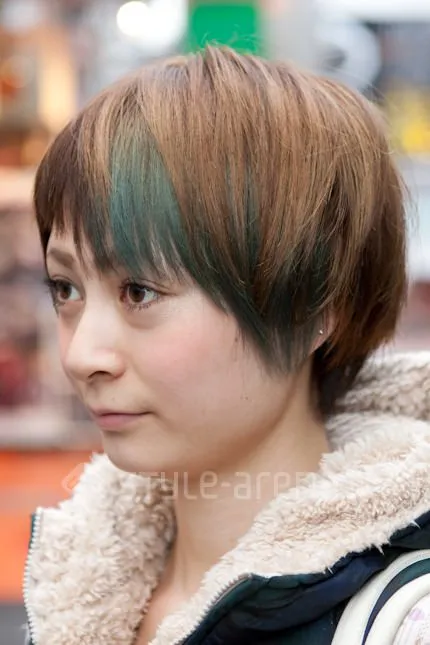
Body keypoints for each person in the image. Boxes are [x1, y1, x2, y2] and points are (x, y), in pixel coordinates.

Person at [23, 46, 430, 645]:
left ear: (313, 311)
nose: (81, 356)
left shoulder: (403, 621)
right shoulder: (74, 586)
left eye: (140, 291)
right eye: (66, 288)